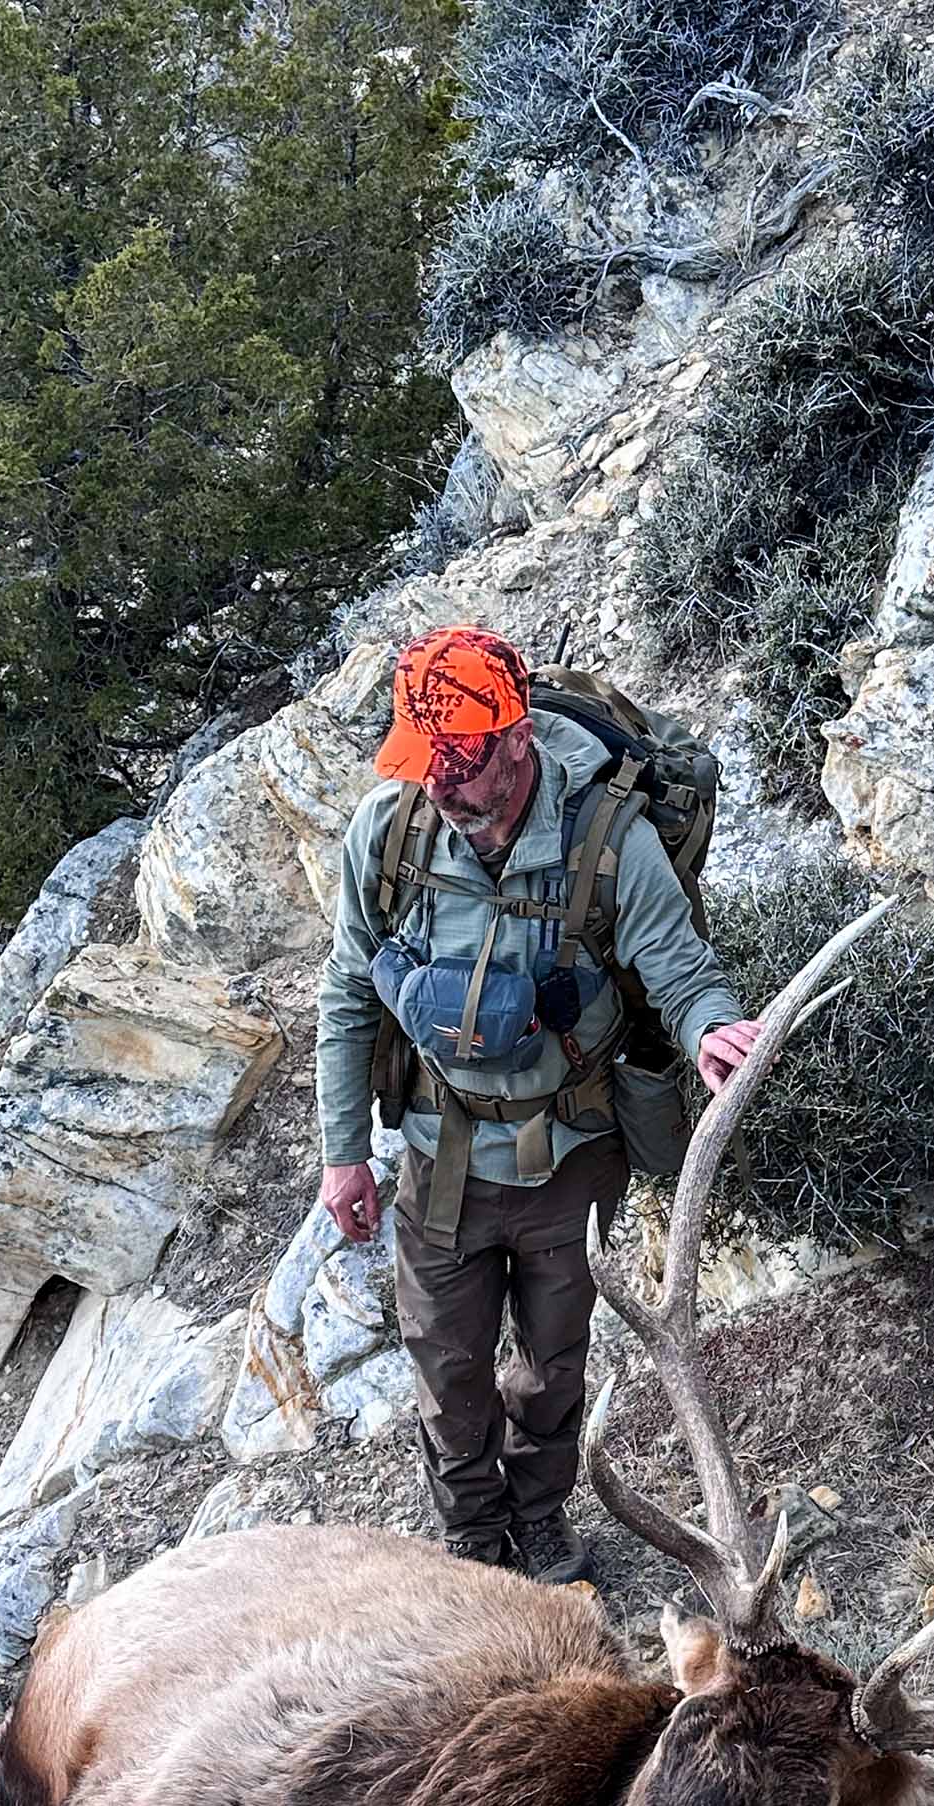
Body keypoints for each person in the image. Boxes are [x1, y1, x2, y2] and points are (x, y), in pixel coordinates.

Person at [315, 626, 762, 1583]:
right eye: (422, 760)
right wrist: (343, 1150)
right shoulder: (387, 836)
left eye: (463, 760)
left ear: (517, 736)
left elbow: (680, 974)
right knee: (448, 1370)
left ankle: (542, 1516)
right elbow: (348, 993)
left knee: (555, 1363)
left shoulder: (612, 843)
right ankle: (474, 1537)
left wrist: (714, 1029)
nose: (441, 785)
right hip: (442, 1160)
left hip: (573, 1154)